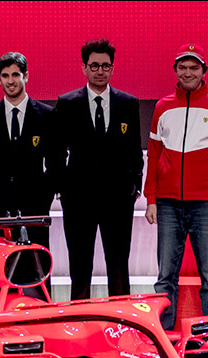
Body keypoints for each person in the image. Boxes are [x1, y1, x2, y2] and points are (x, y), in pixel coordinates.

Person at [144, 44, 208, 331]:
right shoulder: (162, 107)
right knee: (165, 278)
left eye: (194, 68)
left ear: (203, 71)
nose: (188, 73)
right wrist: (151, 198)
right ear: (175, 71)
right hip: (168, 203)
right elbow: (154, 155)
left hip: (207, 204)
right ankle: (163, 340)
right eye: (182, 67)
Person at [52, 39, 142, 301]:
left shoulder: (128, 103)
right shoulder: (67, 103)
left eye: (105, 66)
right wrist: (62, 188)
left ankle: (121, 319)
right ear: (84, 68)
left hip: (118, 199)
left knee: (118, 267)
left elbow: (134, 150)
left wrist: (135, 188)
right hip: (78, 199)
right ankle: (80, 318)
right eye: (94, 65)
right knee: (80, 267)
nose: (100, 71)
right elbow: (57, 151)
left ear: (112, 68)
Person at [0, 52, 55, 247]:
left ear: (26, 76)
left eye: (15, 75)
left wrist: (43, 199)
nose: (10, 81)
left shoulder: (46, 115)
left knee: (36, 263)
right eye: (5, 76)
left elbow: (55, 162)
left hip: (35, 210)